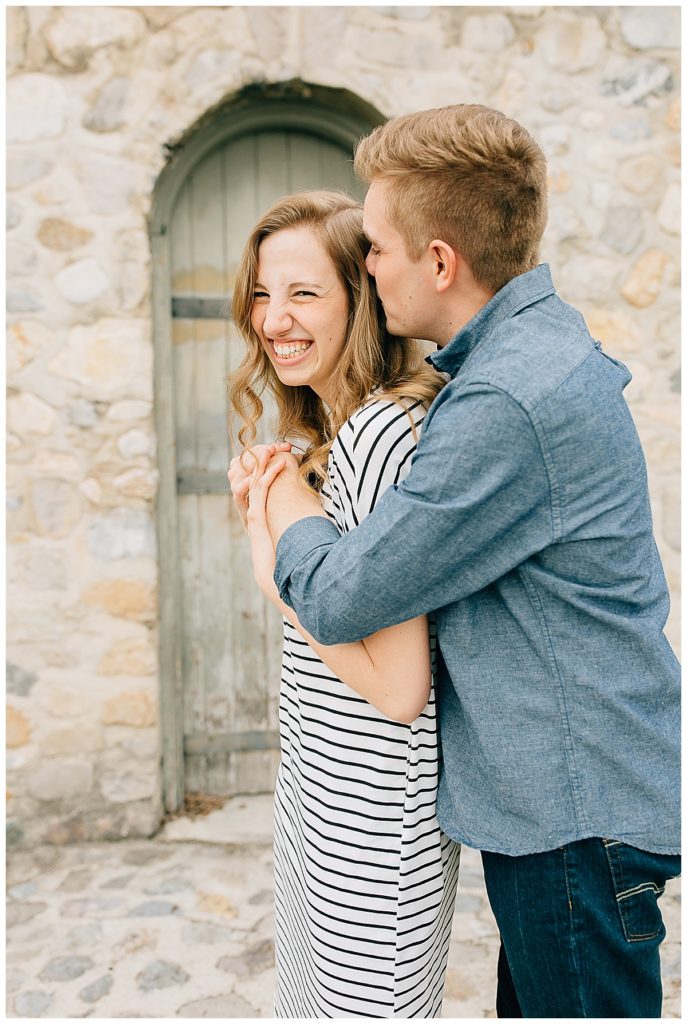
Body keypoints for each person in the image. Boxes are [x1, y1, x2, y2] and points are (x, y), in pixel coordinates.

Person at [245, 106, 681, 1018]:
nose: (366, 268)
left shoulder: (500, 406)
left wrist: (278, 503)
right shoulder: (519, 359)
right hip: (563, 806)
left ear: (439, 261)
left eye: (372, 248)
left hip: (574, 815)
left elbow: (343, 592)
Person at [227, 190, 460, 1019]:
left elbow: (398, 689)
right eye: (262, 293)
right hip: (320, 796)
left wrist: (272, 562)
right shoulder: (335, 431)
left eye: (303, 293)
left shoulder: (381, 438)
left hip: (371, 825)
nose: (273, 319)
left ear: (359, 302)